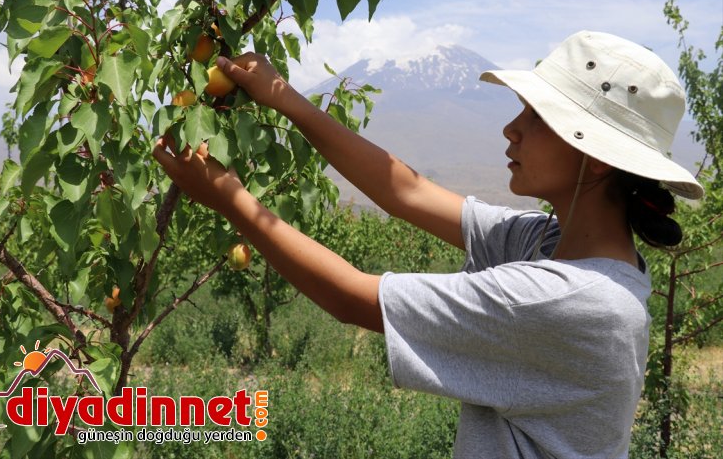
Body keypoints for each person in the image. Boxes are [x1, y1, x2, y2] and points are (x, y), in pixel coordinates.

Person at [152, 30, 704, 458]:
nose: (511, 128)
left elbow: (351, 297)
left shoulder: (568, 299)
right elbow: (406, 191)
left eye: (537, 116)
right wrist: (285, 98)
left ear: (597, 156)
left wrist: (231, 200)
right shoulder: (552, 243)